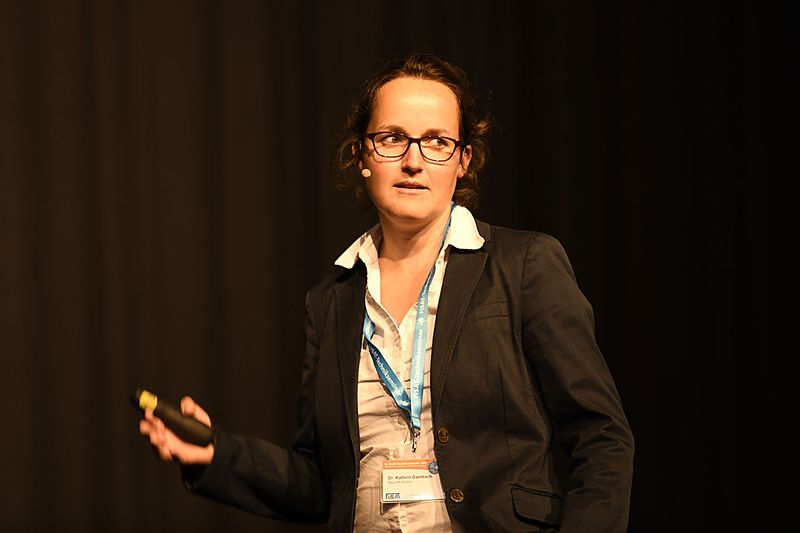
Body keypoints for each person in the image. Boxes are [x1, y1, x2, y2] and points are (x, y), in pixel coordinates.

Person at [139, 51, 634, 532]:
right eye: (393, 138)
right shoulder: (332, 299)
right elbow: (323, 483)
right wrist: (218, 455)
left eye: (437, 141)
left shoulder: (523, 265)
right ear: (361, 155)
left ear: (463, 160)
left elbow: (601, 436)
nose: (414, 160)